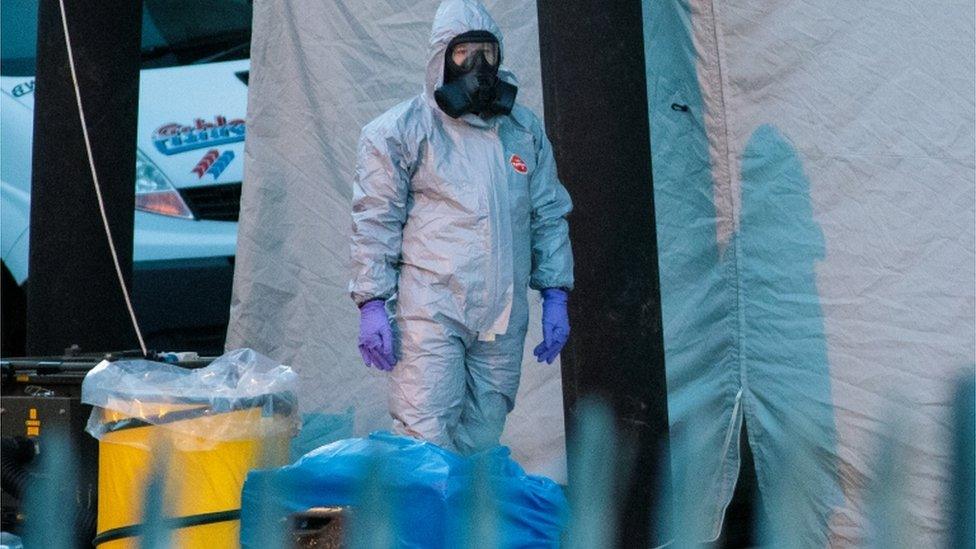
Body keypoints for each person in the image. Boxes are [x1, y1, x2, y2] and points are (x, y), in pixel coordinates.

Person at [349, 0, 573, 454]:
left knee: (483, 439)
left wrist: (555, 292)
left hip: (503, 315)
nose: (478, 66)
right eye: (463, 53)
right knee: (425, 438)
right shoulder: (400, 131)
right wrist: (372, 301)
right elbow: (376, 218)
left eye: (488, 53)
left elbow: (547, 213)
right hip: (433, 312)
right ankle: (429, 527)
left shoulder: (523, 130)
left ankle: (470, 528)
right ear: (440, 58)